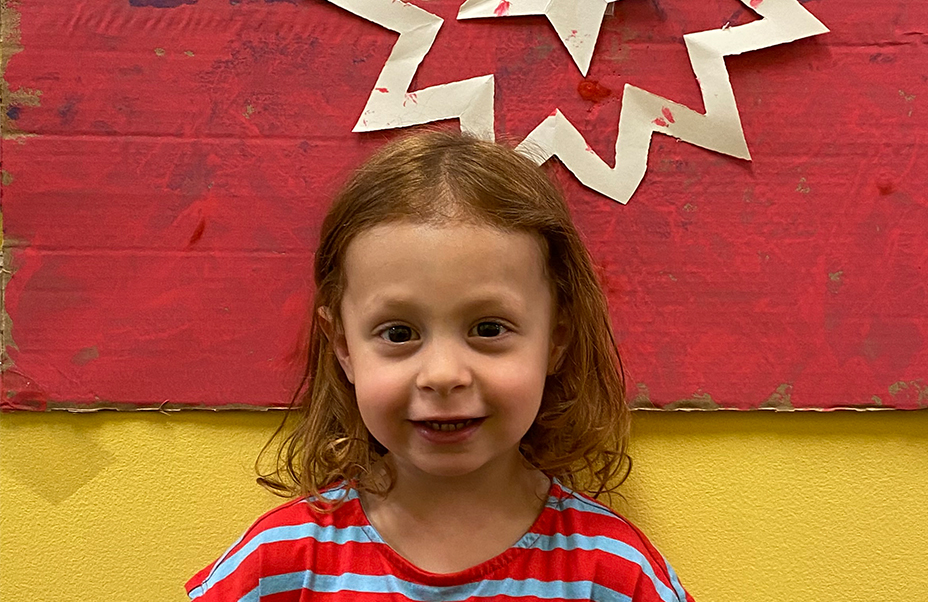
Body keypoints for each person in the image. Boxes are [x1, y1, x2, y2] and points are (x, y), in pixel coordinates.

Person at [186, 130, 693, 601]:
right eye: (400, 334)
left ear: (556, 340)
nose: (444, 374)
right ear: (342, 347)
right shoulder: (278, 566)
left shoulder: (616, 575)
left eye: (489, 329)